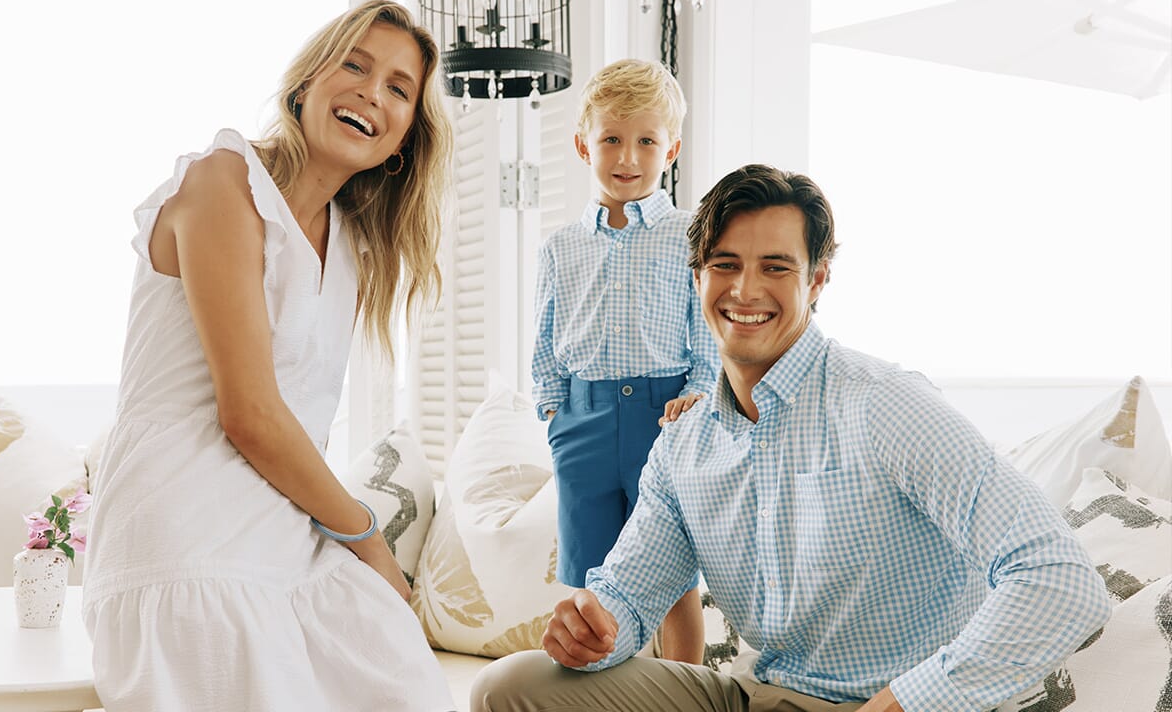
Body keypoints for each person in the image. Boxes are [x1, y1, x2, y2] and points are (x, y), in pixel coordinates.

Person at [476, 164, 1111, 711]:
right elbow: (628, 596)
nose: (745, 290)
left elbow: (1062, 579)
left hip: (894, 698)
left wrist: (912, 700)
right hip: (757, 694)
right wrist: (593, 634)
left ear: (816, 280)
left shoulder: (886, 405)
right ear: (695, 274)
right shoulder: (682, 444)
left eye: (775, 267)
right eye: (725, 264)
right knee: (510, 687)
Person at [81, 0, 455, 710]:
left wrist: (359, 557)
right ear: (304, 83)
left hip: (286, 543)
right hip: (186, 540)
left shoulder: (352, 249)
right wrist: (373, 544)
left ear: (402, 139)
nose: (372, 91)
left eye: (399, 89)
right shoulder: (223, 182)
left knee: (408, 682)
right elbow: (250, 413)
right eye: (355, 64)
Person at [530, 58, 719, 665]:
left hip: (664, 419)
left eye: (646, 140)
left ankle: (687, 686)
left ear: (672, 149)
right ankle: (606, 683)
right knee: (590, 568)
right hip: (580, 421)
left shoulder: (690, 236)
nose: (627, 157)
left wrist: (699, 391)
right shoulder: (561, 246)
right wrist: (554, 411)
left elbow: (707, 332)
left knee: (670, 566)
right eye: (611, 138)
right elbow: (545, 336)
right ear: (584, 144)